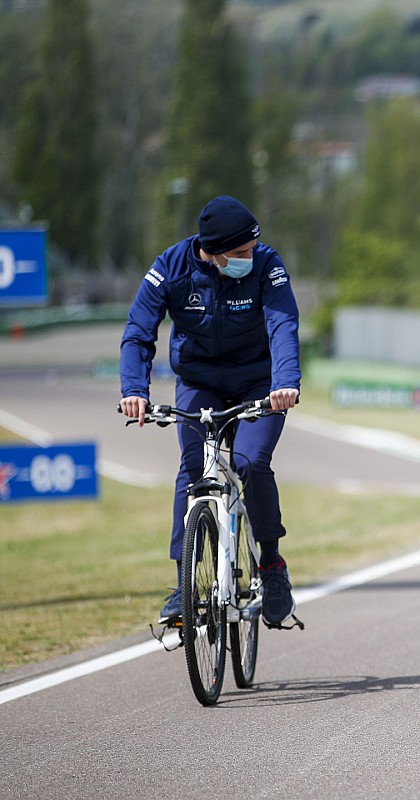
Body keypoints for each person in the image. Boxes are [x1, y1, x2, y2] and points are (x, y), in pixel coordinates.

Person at [119, 195, 301, 628]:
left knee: (250, 462)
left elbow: (282, 324)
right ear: (212, 251)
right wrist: (134, 389)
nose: (249, 258)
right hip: (199, 382)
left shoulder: (266, 264)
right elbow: (139, 331)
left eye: (252, 250)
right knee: (194, 468)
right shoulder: (171, 266)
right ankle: (184, 584)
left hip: (259, 383)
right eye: (240, 254)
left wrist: (285, 382)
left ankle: (271, 566)